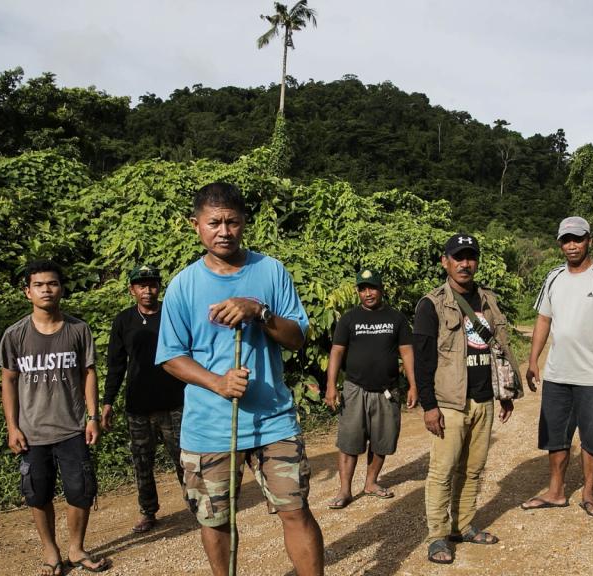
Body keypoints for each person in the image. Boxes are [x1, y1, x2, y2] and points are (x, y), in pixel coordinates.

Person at [156, 182, 324, 576]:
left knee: (296, 511)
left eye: (232, 221)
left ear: (244, 222)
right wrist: (217, 383)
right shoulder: (183, 285)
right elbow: (170, 357)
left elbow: (297, 339)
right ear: (196, 225)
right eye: (214, 222)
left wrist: (259, 311)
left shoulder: (270, 270)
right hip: (209, 428)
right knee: (215, 521)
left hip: (273, 421)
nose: (224, 231)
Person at [0, 259, 111, 575]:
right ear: (27, 292)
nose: (46, 289)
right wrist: (12, 427)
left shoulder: (78, 329)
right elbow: (8, 380)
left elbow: (89, 373)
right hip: (31, 432)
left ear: (61, 288)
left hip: (73, 427)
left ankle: (76, 548)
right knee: (37, 492)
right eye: (39, 285)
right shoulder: (15, 335)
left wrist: (92, 417)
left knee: (81, 490)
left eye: (52, 283)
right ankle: (51, 552)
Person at [414, 233, 517, 565]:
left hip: (483, 399)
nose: (465, 263)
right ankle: (436, 536)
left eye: (470, 256)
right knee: (442, 471)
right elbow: (423, 360)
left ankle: (463, 525)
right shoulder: (430, 305)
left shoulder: (487, 300)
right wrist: (429, 406)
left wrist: (505, 393)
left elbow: (499, 349)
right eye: (458, 257)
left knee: (473, 470)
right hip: (449, 402)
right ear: (445, 261)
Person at [522, 216, 593, 517]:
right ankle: (555, 491)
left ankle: (589, 492)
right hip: (557, 373)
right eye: (566, 240)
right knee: (556, 435)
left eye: (577, 239)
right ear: (560, 243)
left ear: (589, 241)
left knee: (592, 437)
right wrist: (533, 360)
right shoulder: (554, 277)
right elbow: (544, 319)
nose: (572, 245)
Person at [101, 264, 187, 534]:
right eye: (141, 286)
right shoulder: (123, 321)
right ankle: (148, 511)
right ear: (132, 290)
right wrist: (107, 403)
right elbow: (115, 365)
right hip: (138, 406)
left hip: (175, 401)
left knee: (184, 457)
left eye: (152, 285)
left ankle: (197, 504)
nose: (147, 291)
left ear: (159, 287)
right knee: (142, 462)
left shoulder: (172, 314)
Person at [324, 269, 417, 510]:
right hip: (355, 389)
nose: (368, 293)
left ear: (381, 289)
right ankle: (345, 490)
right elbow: (337, 352)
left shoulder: (396, 318)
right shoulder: (348, 318)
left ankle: (371, 483)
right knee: (349, 442)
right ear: (358, 291)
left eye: (372, 288)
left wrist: (414, 385)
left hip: (387, 391)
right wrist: (331, 386)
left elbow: (407, 352)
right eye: (363, 288)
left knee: (382, 441)